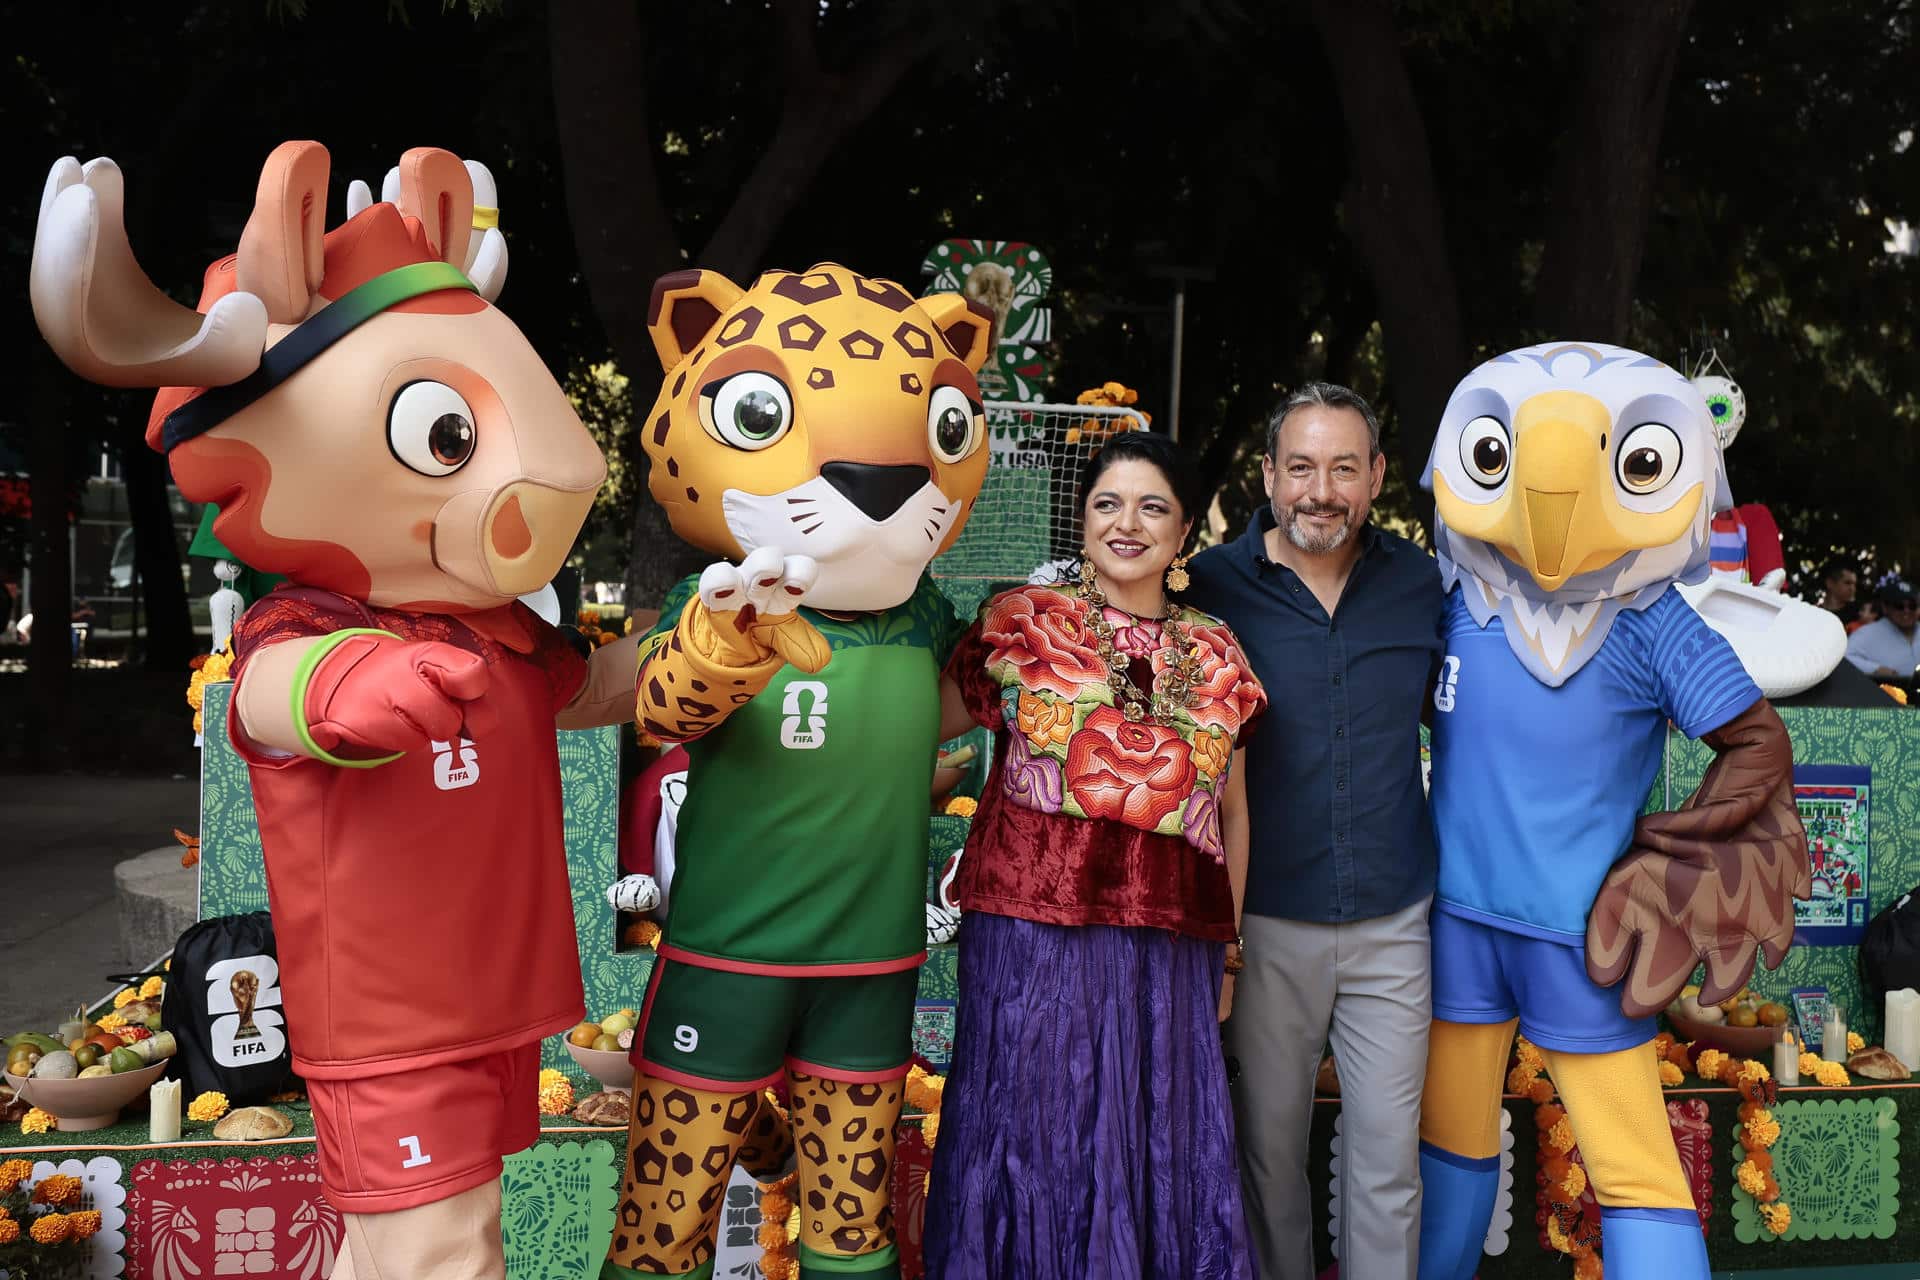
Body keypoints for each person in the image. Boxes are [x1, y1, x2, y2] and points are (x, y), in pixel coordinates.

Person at [924, 429, 1266, 1280]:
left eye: (1152, 507)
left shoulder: (1218, 653)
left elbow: (1232, 812)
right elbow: (921, 723)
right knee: (1034, 1136)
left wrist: (1230, 951)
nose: (1126, 523)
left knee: (1156, 1140)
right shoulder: (1022, 621)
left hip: (1169, 939)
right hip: (1031, 933)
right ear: (1082, 520)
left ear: (1183, 533)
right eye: (1107, 504)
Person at [1184, 383, 1442, 1280]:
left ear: (1376, 476)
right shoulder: (1210, 588)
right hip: (1264, 925)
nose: (1320, 491)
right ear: (1268, 474)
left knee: (1388, 1168)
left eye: (1342, 468)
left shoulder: (1420, 584)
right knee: (1267, 1162)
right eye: (1300, 467)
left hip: (1393, 920)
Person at [1846, 578, 1920, 683]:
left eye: (1912, 606)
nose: (1906, 611)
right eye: (1899, 606)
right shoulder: (1866, 633)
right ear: (1885, 608)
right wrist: (1875, 669)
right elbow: (1844, 658)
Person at [1816, 558, 1860, 624]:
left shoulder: (1859, 615)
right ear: (1830, 583)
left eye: (1854, 584)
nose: (1852, 588)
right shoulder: (1816, 614)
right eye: (1847, 583)